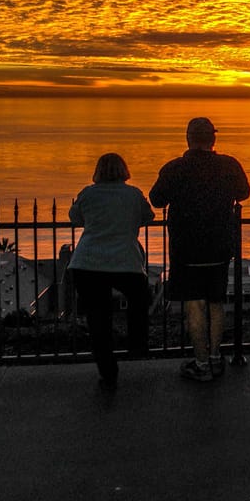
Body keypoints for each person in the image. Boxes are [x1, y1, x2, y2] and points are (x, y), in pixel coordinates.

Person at [149, 117, 250, 381]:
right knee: (216, 302)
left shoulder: (175, 168)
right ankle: (216, 358)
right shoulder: (228, 165)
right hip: (219, 245)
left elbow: (157, 199)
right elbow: (244, 192)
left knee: (194, 305)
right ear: (213, 139)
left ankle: (202, 364)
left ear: (188, 139)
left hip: (186, 248)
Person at [68, 153, 155, 390]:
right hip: (125, 261)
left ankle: (108, 371)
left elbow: (75, 218)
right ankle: (136, 344)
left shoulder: (88, 193)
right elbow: (149, 216)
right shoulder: (133, 194)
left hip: (88, 263)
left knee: (98, 319)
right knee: (140, 299)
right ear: (123, 170)